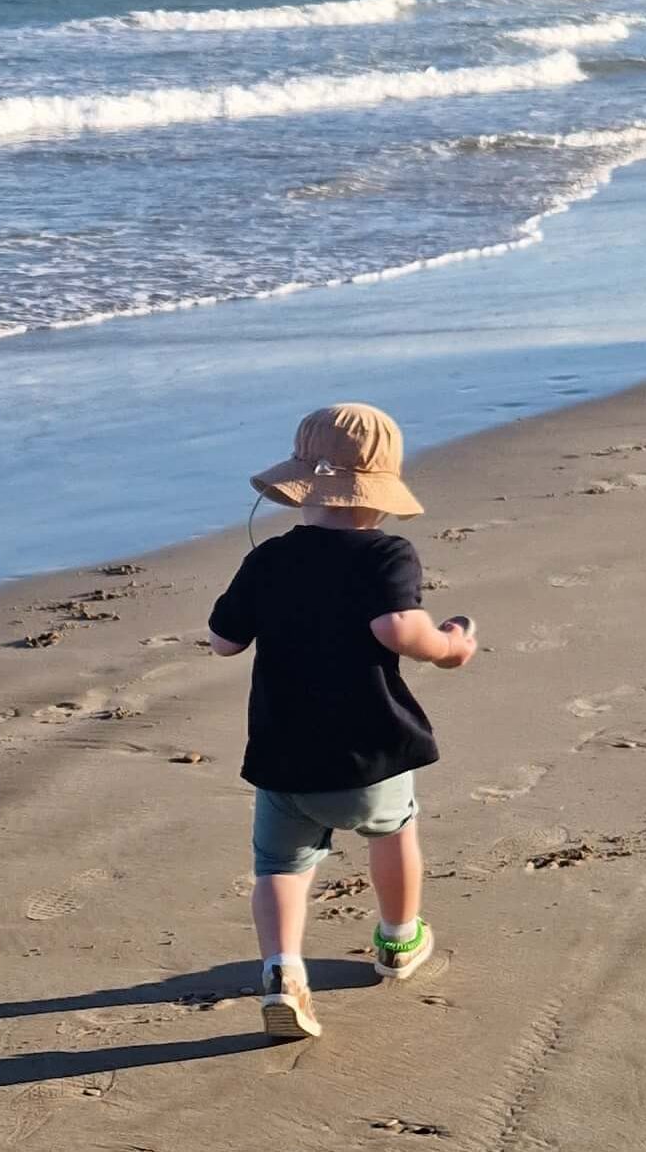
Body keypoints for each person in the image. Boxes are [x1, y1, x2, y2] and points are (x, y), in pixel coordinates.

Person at [206, 402, 478, 1041]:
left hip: (282, 755)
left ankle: (280, 970)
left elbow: (222, 641)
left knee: (279, 867)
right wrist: (451, 644)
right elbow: (398, 628)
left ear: (302, 485)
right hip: (370, 752)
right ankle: (397, 941)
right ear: (379, 491)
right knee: (395, 835)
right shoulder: (388, 553)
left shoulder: (267, 558)